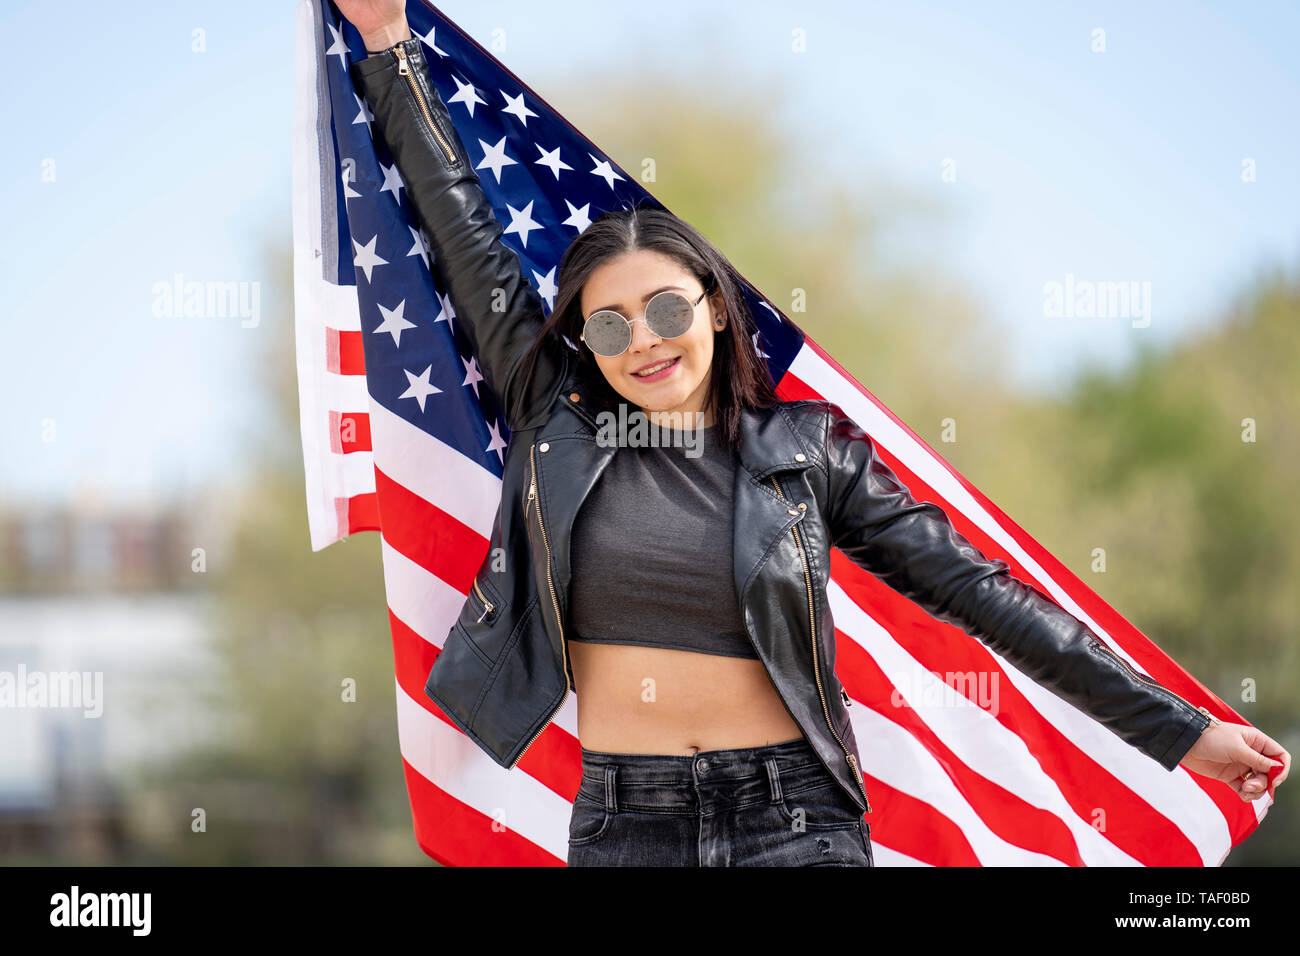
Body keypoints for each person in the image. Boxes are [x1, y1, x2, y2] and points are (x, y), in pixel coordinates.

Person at [336, 1, 1290, 867]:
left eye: (665, 308)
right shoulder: (552, 414)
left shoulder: (809, 449)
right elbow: (462, 231)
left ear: (713, 307)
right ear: (585, 342)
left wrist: (1181, 732)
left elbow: (987, 600)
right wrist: (385, 41)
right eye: (612, 324)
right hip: (624, 820)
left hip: (794, 821)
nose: (645, 341)